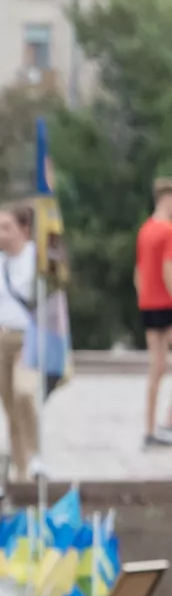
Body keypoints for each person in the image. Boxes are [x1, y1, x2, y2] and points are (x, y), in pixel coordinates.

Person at [0, 204, 39, 480]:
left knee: (23, 392)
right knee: (8, 404)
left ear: (24, 229)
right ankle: (20, 466)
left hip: (28, 336)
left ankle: (36, 453)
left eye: (6, 227)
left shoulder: (37, 259)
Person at [134, 178, 172, 447]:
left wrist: (142, 297)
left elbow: (138, 272)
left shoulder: (145, 230)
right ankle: (168, 422)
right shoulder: (168, 231)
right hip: (166, 303)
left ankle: (151, 429)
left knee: (156, 367)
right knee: (159, 367)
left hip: (148, 304)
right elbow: (168, 270)